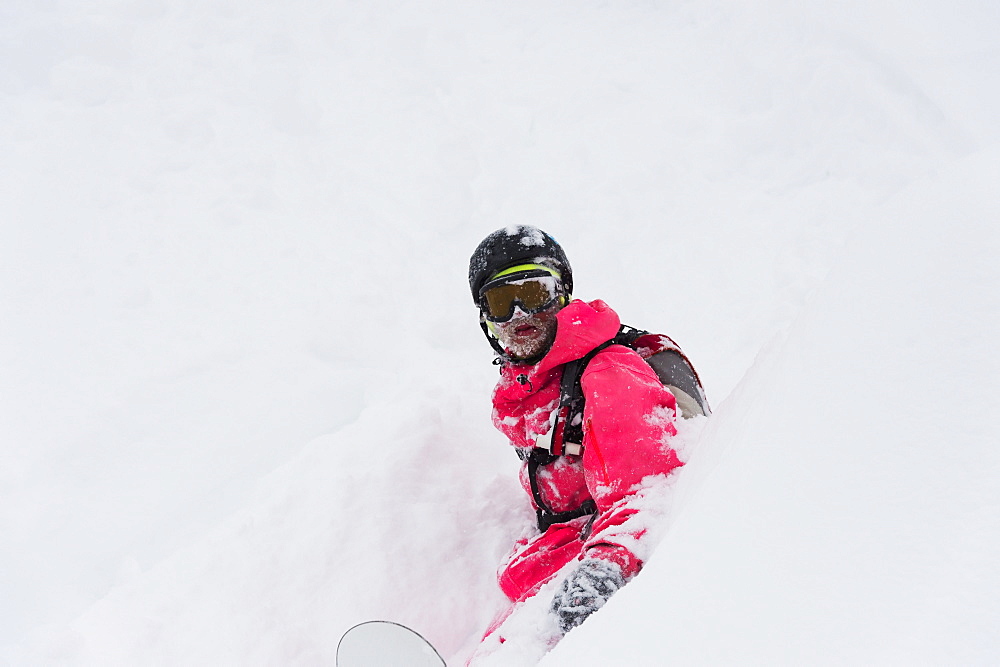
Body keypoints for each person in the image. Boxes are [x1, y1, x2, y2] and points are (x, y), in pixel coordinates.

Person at [468, 225, 706, 646]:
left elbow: (646, 491)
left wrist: (600, 575)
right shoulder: (534, 387)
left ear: (561, 294)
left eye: (535, 293)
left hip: (602, 567)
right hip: (554, 558)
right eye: (502, 302)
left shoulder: (608, 374)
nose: (520, 314)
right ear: (485, 317)